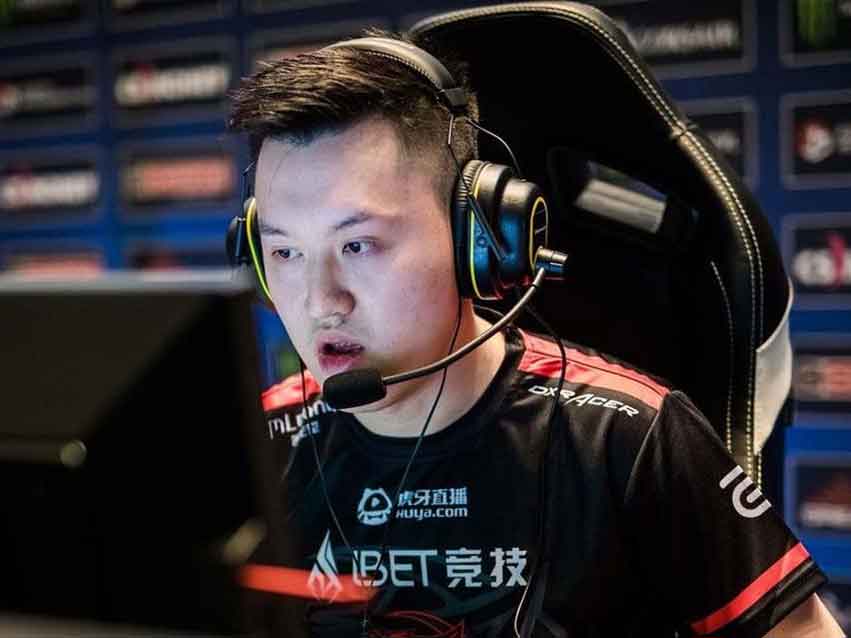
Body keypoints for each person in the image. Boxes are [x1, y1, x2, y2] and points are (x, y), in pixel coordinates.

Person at [227, 26, 843, 638]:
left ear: (476, 238)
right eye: (285, 253)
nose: (320, 301)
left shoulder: (630, 439)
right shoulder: (259, 445)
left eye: (358, 245)